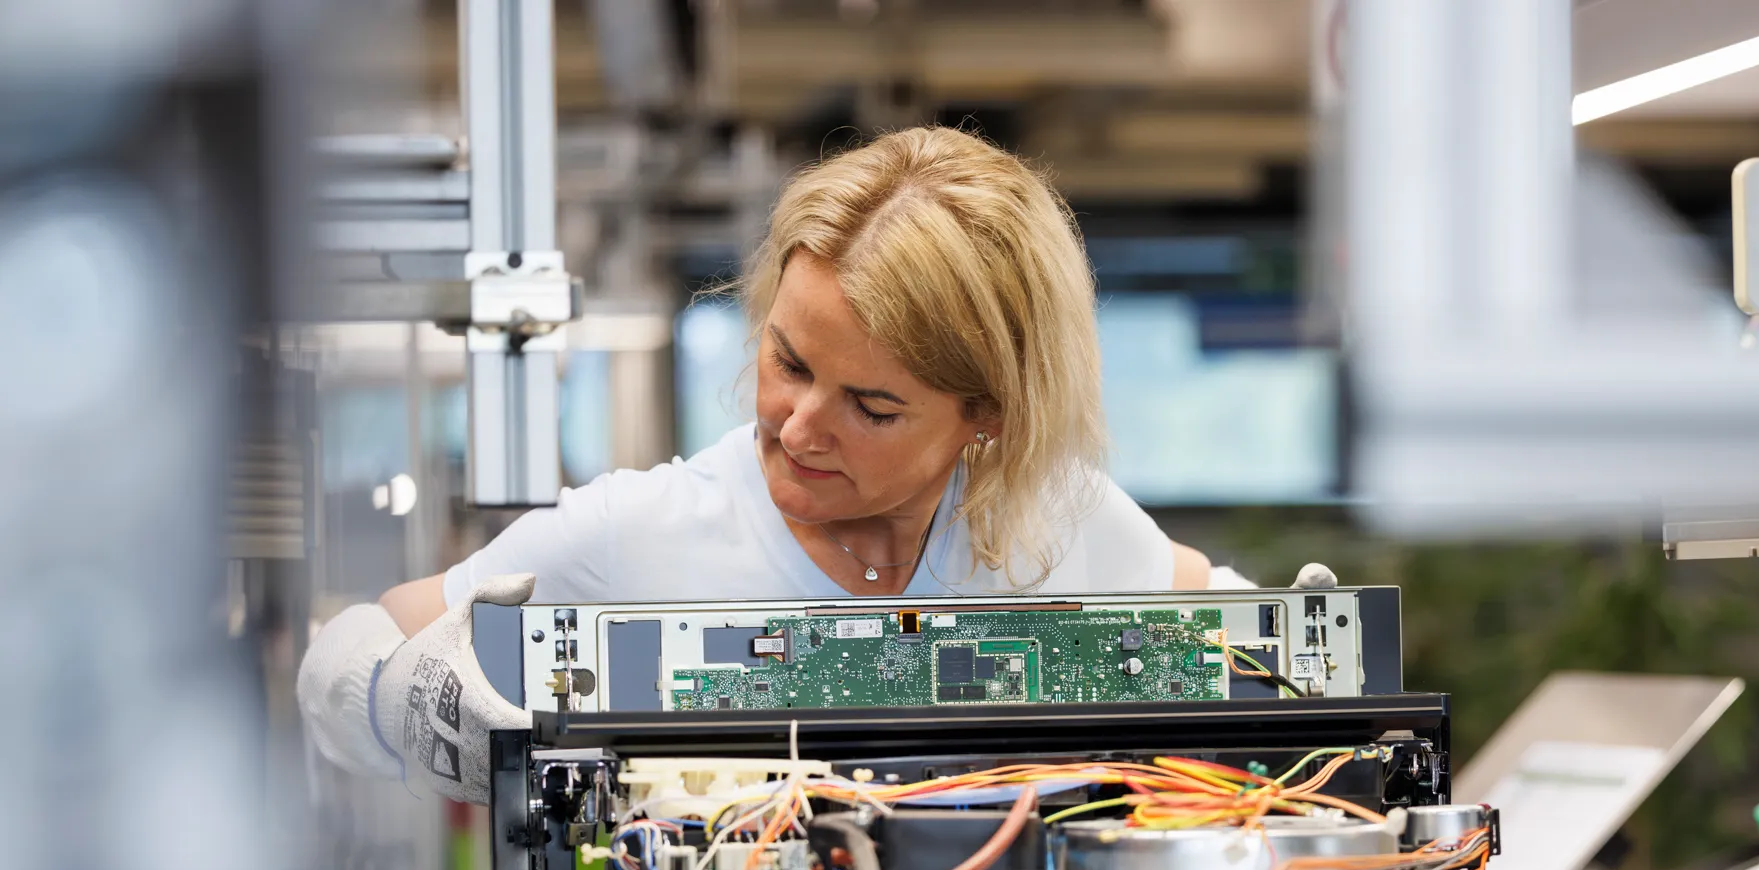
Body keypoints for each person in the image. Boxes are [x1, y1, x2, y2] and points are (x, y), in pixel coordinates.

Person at [299, 125, 1322, 803]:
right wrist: (406, 699)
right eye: (788, 363)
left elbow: (1255, 650)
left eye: (871, 407)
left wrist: (1311, 668)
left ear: (989, 416)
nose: (796, 429)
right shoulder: (637, 534)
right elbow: (342, 653)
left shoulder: (1057, 524)